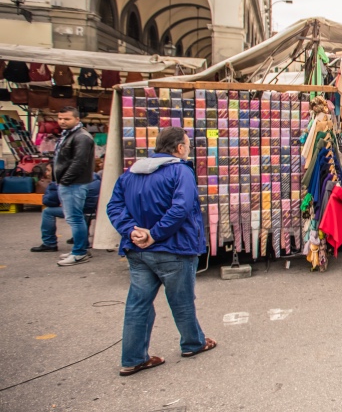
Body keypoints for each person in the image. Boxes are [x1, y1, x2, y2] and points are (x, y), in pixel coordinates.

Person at [106, 126, 215, 376]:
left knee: (138, 303)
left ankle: (133, 358)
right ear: (179, 148)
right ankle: (193, 343)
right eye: (187, 145)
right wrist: (154, 234)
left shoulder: (131, 173)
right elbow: (181, 208)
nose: (188, 149)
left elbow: (114, 207)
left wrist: (132, 231)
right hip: (174, 248)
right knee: (182, 300)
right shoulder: (180, 171)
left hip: (139, 251)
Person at [53, 107, 96, 266]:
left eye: (67, 119)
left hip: (74, 183)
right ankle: (80, 249)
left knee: (75, 218)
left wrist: (65, 180)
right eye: (60, 118)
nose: (62, 121)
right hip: (71, 182)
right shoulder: (71, 135)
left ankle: (80, 252)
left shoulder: (81, 137)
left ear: (77, 119)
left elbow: (79, 162)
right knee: (76, 218)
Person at [31, 167, 101, 253]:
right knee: (83, 211)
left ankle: (49, 243)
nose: (47, 173)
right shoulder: (95, 177)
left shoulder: (66, 178)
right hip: (95, 211)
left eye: (49, 170)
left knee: (48, 212)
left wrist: (51, 186)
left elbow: (49, 201)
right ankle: (79, 238)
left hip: (81, 211)